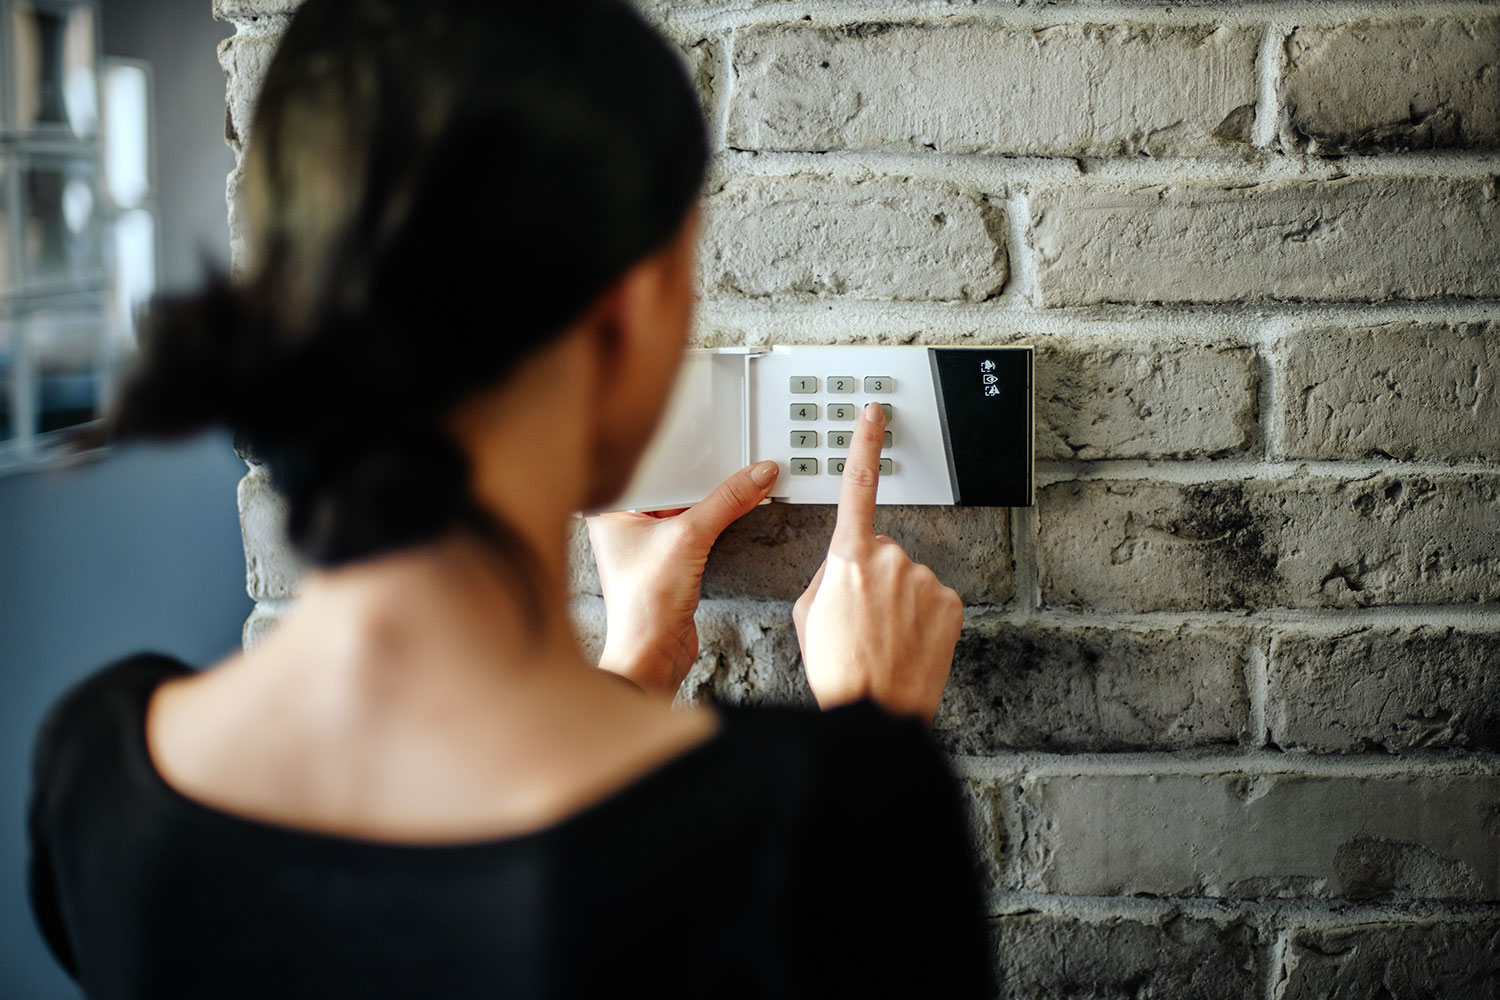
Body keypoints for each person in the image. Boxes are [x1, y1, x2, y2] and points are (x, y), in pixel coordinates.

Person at [27, 1, 994, 996]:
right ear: (632, 312)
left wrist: (638, 660)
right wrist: (874, 742)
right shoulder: (825, 821)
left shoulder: (98, 775)